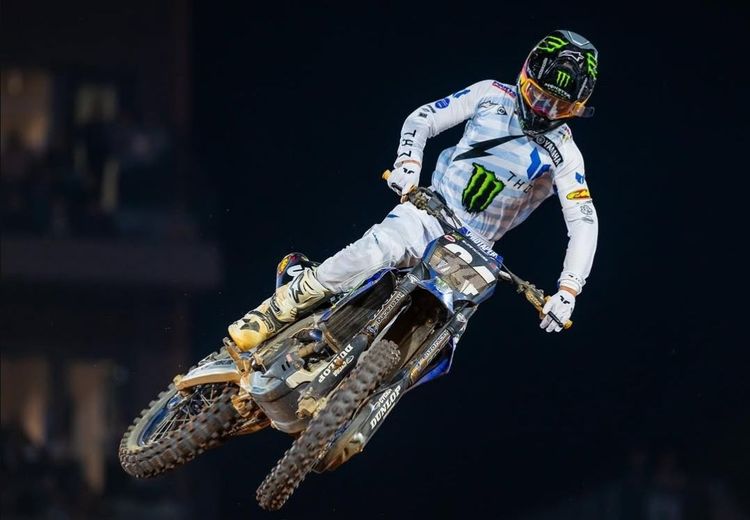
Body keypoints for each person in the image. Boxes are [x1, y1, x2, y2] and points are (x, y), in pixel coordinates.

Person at [228, 29, 599, 350]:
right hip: (429, 211)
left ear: (577, 109)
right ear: (524, 75)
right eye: (538, 95)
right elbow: (424, 118)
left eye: (560, 106)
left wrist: (568, 290)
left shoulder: (566, 154)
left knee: (446, 331)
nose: (545, 110)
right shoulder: (491, 94)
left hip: (477, 251)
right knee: (376, 250)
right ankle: (274, 311)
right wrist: (408, 167)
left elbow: (584, 222)